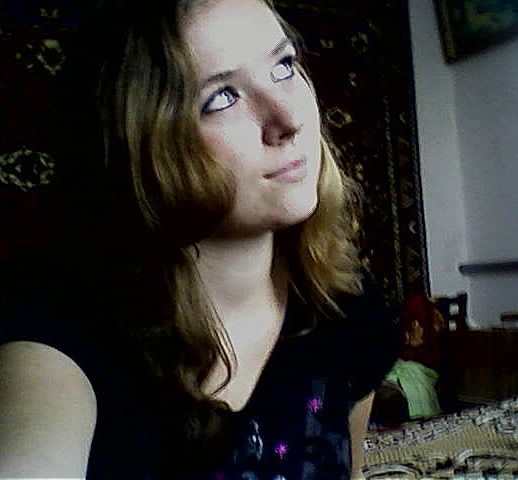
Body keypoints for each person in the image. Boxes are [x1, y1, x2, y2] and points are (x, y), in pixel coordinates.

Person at [0, 0, 399, 479]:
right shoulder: (55, 335)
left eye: (284, 65)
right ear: (139, 143)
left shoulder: (346, 304)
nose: (289, 119)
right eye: (222, 97)